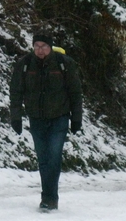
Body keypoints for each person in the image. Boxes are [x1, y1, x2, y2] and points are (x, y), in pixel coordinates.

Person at [9, 34, 83, 211]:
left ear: (50, 47)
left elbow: (75, 91)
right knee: (43, 159)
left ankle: (50, 198)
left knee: (54, 157)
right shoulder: (25, 64)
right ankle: (47, 195)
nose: (40, 50)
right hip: (36, 118)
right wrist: (16, 117)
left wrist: (76, 118)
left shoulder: (64, 63)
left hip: (59, 118)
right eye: (37, 46)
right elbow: (16, 92)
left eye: (43, 46)